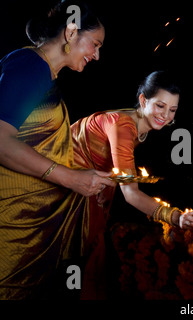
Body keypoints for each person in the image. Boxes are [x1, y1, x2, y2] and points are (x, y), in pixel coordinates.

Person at [0, 1, 115, 299]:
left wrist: (84, 176)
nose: (97, 55)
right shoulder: (31, 67)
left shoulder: (44, 75)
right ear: (71, 32)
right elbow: (0, 140)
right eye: (95, 44)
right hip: (10, 228)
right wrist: (70, 178)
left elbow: (36, 144)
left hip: (30, 228)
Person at [71, 70, 193, 299]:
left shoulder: (135, 125)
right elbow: (131, 194)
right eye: (160, 106)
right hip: (65, 191)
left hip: (88, 193)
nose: (165, 116)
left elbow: (115, 171)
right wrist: (175, 217)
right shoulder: (124, 127)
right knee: (79, 261)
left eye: (172, 110)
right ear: (143, 100)